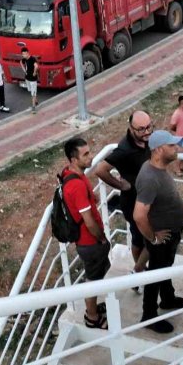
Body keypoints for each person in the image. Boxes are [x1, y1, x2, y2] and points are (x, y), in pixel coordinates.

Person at [133, 130, 183, 334]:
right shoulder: (150, 178)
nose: (176, 149)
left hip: (170, 233)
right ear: (158, 150)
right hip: (162, 238)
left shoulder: (157, 168)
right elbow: (139, 215)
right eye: (172, 146)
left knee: (165, 267)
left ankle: (168, 299)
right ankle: (148, 315)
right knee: (156, 273)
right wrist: (154, 238)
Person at [94, 111, 153, 284]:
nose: (147, 132)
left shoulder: (148, 141)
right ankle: (138, 272)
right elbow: (100, 170)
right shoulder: (125, 149)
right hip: (133, 203)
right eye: (141, 129)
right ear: (131, 128)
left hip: (149, 199)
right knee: (146, 239)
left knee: (147, 238)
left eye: (149, 126)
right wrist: (121, 185)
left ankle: (139, 273)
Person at [61, 137, 111, 330]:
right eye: (86, 154)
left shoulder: (71, 173)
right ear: (74, 160)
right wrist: (101, 239)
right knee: (93, 280)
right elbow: (89, 222)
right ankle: (92, 317)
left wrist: (91, 197)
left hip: (88, 241)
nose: (91, 157)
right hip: (90, 242)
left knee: (97, 274)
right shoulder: (76, 185)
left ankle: (93, 307)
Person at [21, 47, 39, 114]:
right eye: (23, 54)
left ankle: (34, 107)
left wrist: (34, 72)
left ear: (28, 53)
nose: (24, 55)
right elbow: (21, 63)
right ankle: (36, 101)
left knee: (33, 94)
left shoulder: (32, 59)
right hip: (27, 78)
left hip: (33, 79)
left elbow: (36, 66)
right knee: (31, 90)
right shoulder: (24, 59)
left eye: (25, 54)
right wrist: (24, 71)